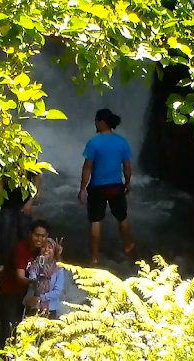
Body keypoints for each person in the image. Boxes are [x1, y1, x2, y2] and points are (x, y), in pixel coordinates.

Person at [77, 108, 134, 265]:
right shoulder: (122, 142)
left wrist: (82, 189)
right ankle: (128, 248)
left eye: (96, 120)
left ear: (102, 122)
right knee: (122, 218)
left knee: (95, 221)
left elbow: (87, 167)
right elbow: (127, 166)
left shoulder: (94, 142)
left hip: (97, 188)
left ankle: (94, 257)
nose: (95, 123)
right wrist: (128, 183)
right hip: (116, 186)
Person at [0, 219, 49, 349]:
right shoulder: (21, 248)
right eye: (36, 235)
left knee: (19, 327)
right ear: (30, 234)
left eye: (43, 236)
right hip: (8, 292)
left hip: (23, 294)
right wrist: (35, 282)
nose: (39, 239)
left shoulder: (41, 251)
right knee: (8, 330)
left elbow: (54, 269)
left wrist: (57, 255)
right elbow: (20, 276)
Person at [0, 162, 42, 266]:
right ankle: (5, 266)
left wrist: (31, 201)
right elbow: (1, 178)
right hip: (7, 203)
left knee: (24, 236)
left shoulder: (28, 158)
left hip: (24, 203)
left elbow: (37, 179)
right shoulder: (5, 156)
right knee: (4, 237)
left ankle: (27, 266)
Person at [23, 237, 64, 320]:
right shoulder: (34, 267)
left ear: (54, 251)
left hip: (51, 309)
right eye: (44, 247)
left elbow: (57, 292)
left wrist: (40, 298)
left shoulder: (59, 269)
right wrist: (40, 272)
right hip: (34, 308)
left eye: (50, 247)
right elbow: (34, 285)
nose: (46, 250)